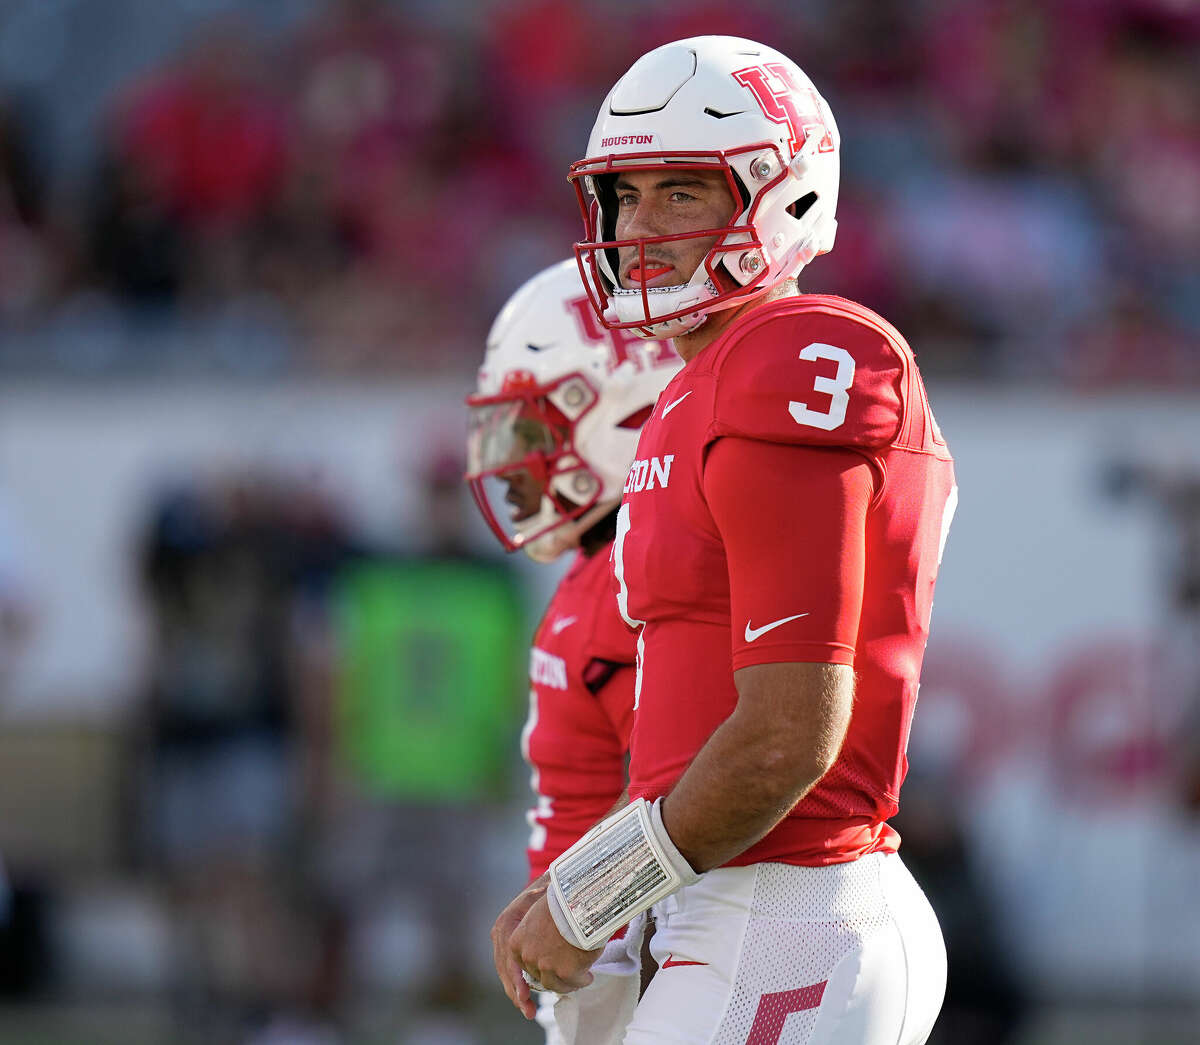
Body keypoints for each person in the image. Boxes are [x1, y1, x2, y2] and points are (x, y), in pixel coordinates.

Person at [494, 36, 958, 1045]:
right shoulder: (689, 393)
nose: (640, 226)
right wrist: (586, 888)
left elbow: (789, 731)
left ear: (780, 196)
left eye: (682, 193)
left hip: (794, 906)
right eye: (626, 194)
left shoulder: (795, 355)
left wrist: (593, 894)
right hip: (738, 905)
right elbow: (685, 729)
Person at [469, 259, 679, 1043]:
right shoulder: (598, 571)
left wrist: (589, 912)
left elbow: (686, 793)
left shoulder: (636, 570)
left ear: (617, 413)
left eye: (529, 431)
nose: (505, 465)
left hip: (657, 959)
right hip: (601, 963)